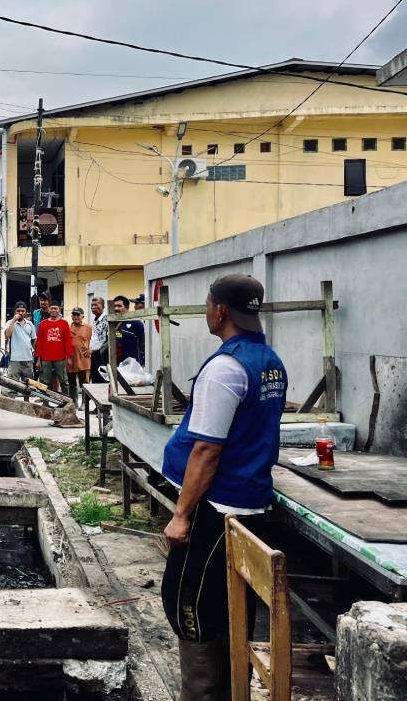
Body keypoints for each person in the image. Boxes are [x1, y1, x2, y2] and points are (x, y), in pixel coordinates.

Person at [159, 274, 287, 700]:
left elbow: (206, 451)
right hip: (248, 501)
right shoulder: (268, 360)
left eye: (207, 304)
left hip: (215, 509)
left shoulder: (224, 369)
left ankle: (203, 693)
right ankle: (232, 690)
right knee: (232, 607)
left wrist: (181, 516)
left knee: (190, 604)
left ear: (220, 311)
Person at [35, 303, 71, 394]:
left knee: (64, 381)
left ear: (59, 310)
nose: (53, 310)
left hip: (61, 358)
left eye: (56, 308)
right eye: (52, 308)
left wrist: (69, 358)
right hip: (45, 358)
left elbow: (67, 341)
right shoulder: (42, 324)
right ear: (49, 310)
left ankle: (66, 400)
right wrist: (38, 360)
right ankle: (44, 401)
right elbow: (39, 342)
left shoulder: (64, 323)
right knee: (44, 382)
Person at [66, 307, 92, 404]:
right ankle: (74, 403)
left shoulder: (88, 328)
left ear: (83, 316)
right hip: (70, 360)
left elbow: (94, 340)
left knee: (84, 383)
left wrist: (91, 349)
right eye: (74, 314)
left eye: (78, 314)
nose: (76, 316)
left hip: (84, 360)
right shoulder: (68, 328)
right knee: (72, 383)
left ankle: (85, 403)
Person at [4, 302, 36, 381]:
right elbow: (7, 335)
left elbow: (33, 339)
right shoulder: (10, 323)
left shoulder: (30, 324)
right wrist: (14, 320)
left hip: (28, 359)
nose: (20, 313)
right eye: (18, 311)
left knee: (28, 384)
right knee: (13, 383)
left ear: (26, 312)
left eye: (22, 311)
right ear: (15, 311)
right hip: (14, 359)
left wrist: (32, 351)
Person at [111, 295, 145, 367]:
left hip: (131, 367)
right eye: (114, 306)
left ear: (127, 308)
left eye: (119, 306)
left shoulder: (136, 323)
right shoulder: (111, 324)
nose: (116, 308)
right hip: (114, 366)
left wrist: (142, 364)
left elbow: (143, 344)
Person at [88, 297, 108, 383]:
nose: (93, 307)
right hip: (94, 355)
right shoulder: (95, 319)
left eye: (96, 305)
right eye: (92, 305)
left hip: (103, 356)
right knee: (95, 380)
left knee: (102, 381)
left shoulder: (106, 319)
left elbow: (107, 340)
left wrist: (94, 350)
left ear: (103, 306)